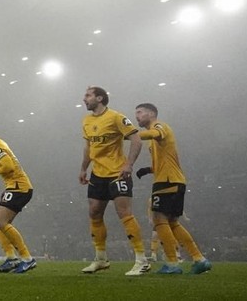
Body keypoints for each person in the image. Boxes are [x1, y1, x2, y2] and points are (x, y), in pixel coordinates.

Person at [79, 86, 150, 276]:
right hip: (97, 174)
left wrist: (129, 164)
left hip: (117, 172)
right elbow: (88, 147)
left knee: (124, 213)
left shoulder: (116, 117)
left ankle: (142, 260)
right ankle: (101, 259)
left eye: (88, 96)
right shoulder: (86, 120)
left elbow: (136, 140)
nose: (84, 99)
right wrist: (83, 168)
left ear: (100, 98)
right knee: (94, 213)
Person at [134, 103, 212, 275]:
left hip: (167, 181)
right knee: (173, 222)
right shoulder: (156, 140)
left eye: (139, 112)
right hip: (173, 180)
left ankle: (172, 263)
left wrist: (132, 135)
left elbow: (156, 133)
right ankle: (199, 259)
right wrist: (148, 169)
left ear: (151, 113)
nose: (137, 116)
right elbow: (165, 160)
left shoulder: (159, 126)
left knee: (158, 220)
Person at [0, 121, 37, 273]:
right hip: (13, 187)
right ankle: (12, 258)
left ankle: (27, 258)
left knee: (2, 222)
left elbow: (9, 166)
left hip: (19, 187)